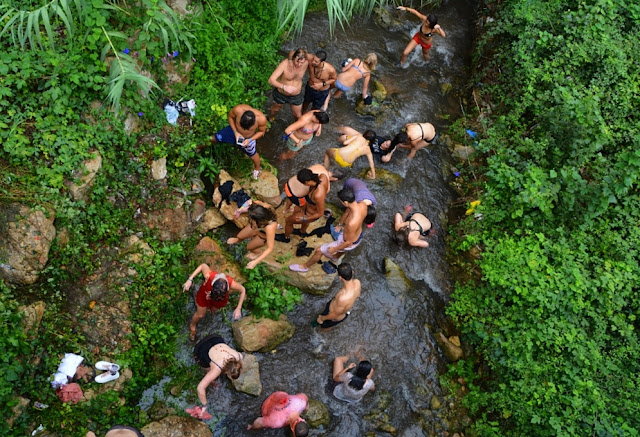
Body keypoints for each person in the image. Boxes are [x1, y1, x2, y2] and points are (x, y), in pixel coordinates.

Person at [289, 185, 367, 272]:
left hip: (348, 241)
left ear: (345, 203)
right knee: (344, 248)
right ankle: (335, 257)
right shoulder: (362, 205)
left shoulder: (351, 223)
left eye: (340, 202)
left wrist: (335, 249)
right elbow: (349, 210)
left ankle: (305, 267)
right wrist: (340, 224)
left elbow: (348, 242)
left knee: (319, 250)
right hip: (358, 236)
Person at [182, 263, 246, 341]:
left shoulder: (232, 284)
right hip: (204, 296)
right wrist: (190, 279)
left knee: (212, 311)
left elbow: (243, 290)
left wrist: (238, 308)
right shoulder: (209, 276)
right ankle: (192, 325)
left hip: (219, 302)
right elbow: (203, 265)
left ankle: (210, 308)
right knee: (200, 315)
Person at [187, 335, 243, 420]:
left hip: (215, 338)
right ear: (227, 372)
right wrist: (204, 405)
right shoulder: (216, 369)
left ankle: (210, 379)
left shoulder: (238, 356)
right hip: (201, 349)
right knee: (208, 369)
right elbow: (200, 388)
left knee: (212, 369)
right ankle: (211, 381)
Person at [207, 104, 267, 179]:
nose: (244, 129)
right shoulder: (238, 109)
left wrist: (250, 139)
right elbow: (230, 117)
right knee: (214, 138)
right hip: (233, 131)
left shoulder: (261, 119)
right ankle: (198, 147)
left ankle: (257, 169)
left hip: (248, 139)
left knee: (253, 155)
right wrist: (236, 132)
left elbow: (261, 132)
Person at [280, 164, 332, 241]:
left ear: (306, 182)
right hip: (307, 208)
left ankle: (286, 237)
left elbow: (320, 213)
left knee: (288, 221)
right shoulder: (322, 177)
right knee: (296, 209)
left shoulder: (318, 195)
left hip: (309, 214)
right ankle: (302, 232)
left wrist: (305, 218)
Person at [227, 202, 278, 269]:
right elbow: (250, 201)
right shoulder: (264, 206)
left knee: (249, 247)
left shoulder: (270, 227)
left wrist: (255, 262)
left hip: (263, 235)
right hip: (256, 227)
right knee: (239, 236)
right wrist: (240, 209)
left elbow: (270, 248)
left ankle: (258, 253)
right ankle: (238, 239)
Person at [315, 263, 360, 329]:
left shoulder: (343, 298)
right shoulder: (357, 282)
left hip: (332, 317)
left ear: (340, 277)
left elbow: (334, 315)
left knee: (323, 327)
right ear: (352, 272)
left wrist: (322, 318)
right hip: (344, 312)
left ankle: (323, 332)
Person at [268, 48, 309, 121]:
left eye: (301, 62)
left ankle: (297, 129)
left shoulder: (306, 63)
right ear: (293, 58)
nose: (299, 64)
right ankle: (270, 119)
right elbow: (271, 80)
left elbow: (318, 58)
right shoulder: (285, 64)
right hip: (281, 93)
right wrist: (283, 86)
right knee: (275, 110)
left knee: (297, 115)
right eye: (297, 61)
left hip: (296, 95)